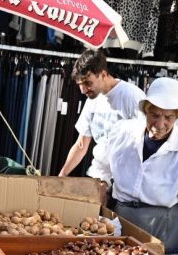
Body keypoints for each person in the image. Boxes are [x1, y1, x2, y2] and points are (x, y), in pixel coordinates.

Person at [91, 77, 178, 255]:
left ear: (177, 117)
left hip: (161, 229)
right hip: (122, 220)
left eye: (168, 118)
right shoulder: (123, 132)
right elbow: (101, 166)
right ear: (145, 109)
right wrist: (101, 188)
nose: (160, 124)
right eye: (155, 115)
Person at [58, 48, 144, 177]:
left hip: (122, 181)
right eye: (80, 84)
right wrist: (61, 176)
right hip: (97, 174)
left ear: (103, 75)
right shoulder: (92, 99)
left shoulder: (132, 97)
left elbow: (145, 144)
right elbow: (81, 145)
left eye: (88, 83)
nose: (83, 90)